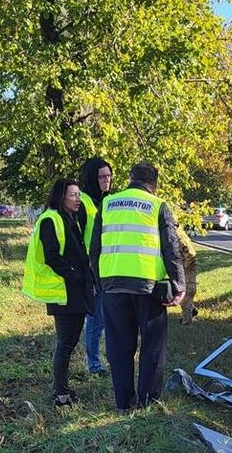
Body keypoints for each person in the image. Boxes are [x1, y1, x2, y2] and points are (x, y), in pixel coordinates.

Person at [89, 162, 185, 411]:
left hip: (112, 285)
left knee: (119, 347)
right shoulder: (157, 206)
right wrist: (179, 285)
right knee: (152, 346)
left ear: (130, 178)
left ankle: (123, 403)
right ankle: (147, 403)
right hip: (148, 287)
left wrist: (101, 281)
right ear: (155, 183)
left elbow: (95, 248)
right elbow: (171, 248)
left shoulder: (108, 204)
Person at [21, 178, 96, 406]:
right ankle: (61, 395)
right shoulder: (50, 219)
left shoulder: (70, 218)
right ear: (61, 196)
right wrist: (74, 274)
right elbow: (51, 256)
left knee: (71, 341)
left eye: (79, 195)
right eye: (73, 195)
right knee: (65, 343)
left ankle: (63, 389)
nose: (78, 199)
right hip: (63, 293)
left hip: (74, 291)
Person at [78, 157, 113, 374]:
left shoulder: (110, 199)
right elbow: (78, 237)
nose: (106, 180)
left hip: (110, 267)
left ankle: (106, 360)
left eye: (108, 176)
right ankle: (94, 365)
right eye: (101, 177)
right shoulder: (83, 201)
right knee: (95, 320)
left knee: (107, 318)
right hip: (91, 270)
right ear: (92, 178)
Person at [176, 221, 199, 324]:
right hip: (185, 264)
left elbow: (189, 253)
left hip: (188, 265)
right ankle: (191, 310)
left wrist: (182, 267)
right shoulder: (178, 231)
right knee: (180, 291)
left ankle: (187, 321)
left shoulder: (177, 235)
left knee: (185, 293)